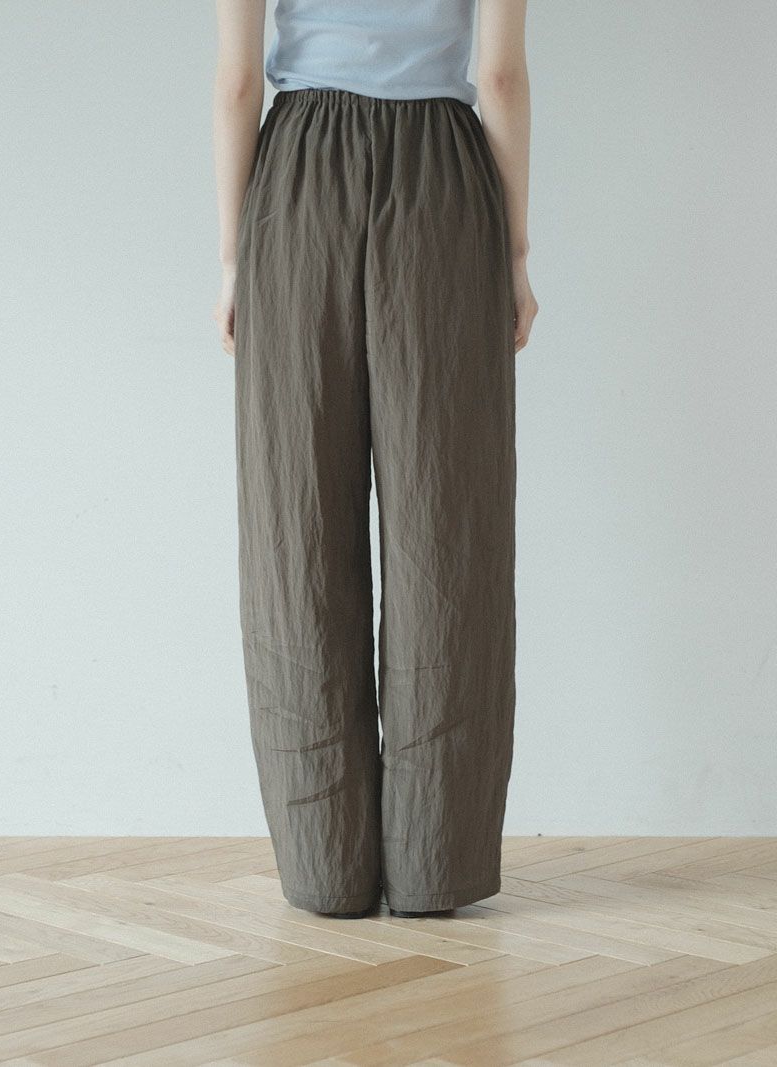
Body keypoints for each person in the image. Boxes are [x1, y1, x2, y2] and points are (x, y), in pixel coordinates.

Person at [213, 0, 537, 919]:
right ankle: (436, 865)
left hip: (298, 181)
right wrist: (514, 254)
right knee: (448, 523)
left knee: (297, 525)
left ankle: (325, 867)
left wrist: (235, 259)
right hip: (443, 182)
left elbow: (236, 83)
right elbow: (500, 78)